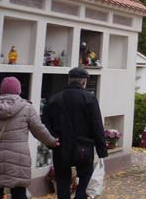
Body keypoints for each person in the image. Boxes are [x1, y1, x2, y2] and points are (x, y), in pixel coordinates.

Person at [0, 77, 59, 199]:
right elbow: (39, 130)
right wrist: (51, 142)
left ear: (1, 91)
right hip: (19, 157)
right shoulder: (26, 108)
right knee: (19, 191)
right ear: (18, 91)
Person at [43, 67, 107, 199]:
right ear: (84, 81)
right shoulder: (89, 98)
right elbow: (97, 125)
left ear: (69, 80)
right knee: (85, 177)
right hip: (84, 148)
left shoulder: (54, 99)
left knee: (62, 180)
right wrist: (101, 150)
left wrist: (52, 141)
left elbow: (45, 124)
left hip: (60, 147)